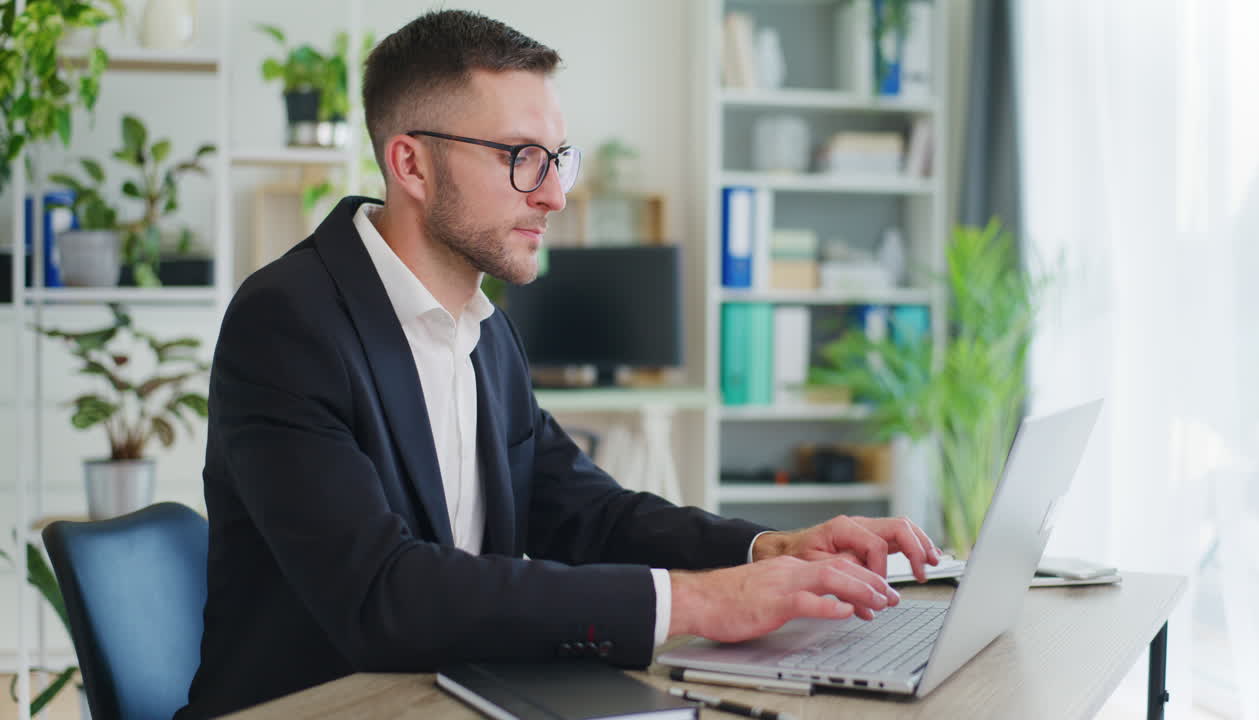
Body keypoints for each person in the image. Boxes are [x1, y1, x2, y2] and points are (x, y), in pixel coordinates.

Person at [177, 10, 939, 719]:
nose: (553, 195)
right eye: (521, 158)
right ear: (410, 163)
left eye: (558, 160)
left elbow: (584, 510)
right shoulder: (290, 322)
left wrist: (762, 549)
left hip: (462, 691)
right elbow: (383, 592)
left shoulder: (487, 330)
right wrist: (702, 602)